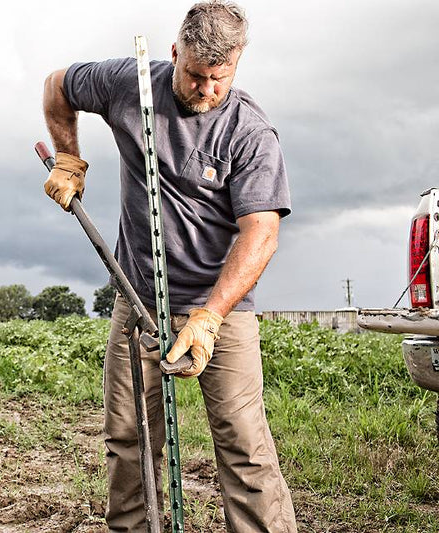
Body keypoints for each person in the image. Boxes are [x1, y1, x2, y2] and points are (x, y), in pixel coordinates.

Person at [42, 1, 297, 532]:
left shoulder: (249, 132)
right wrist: (69, 156)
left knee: (245, 447)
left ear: (237, 64)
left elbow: (262, 233)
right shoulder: (126, 84)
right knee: (129, 441)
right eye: (196, 76)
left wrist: (210, 316)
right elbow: (57, 85)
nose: (207, 90)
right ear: (174, 53)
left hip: (219, 310)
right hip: (138, 303)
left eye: (219, 79)